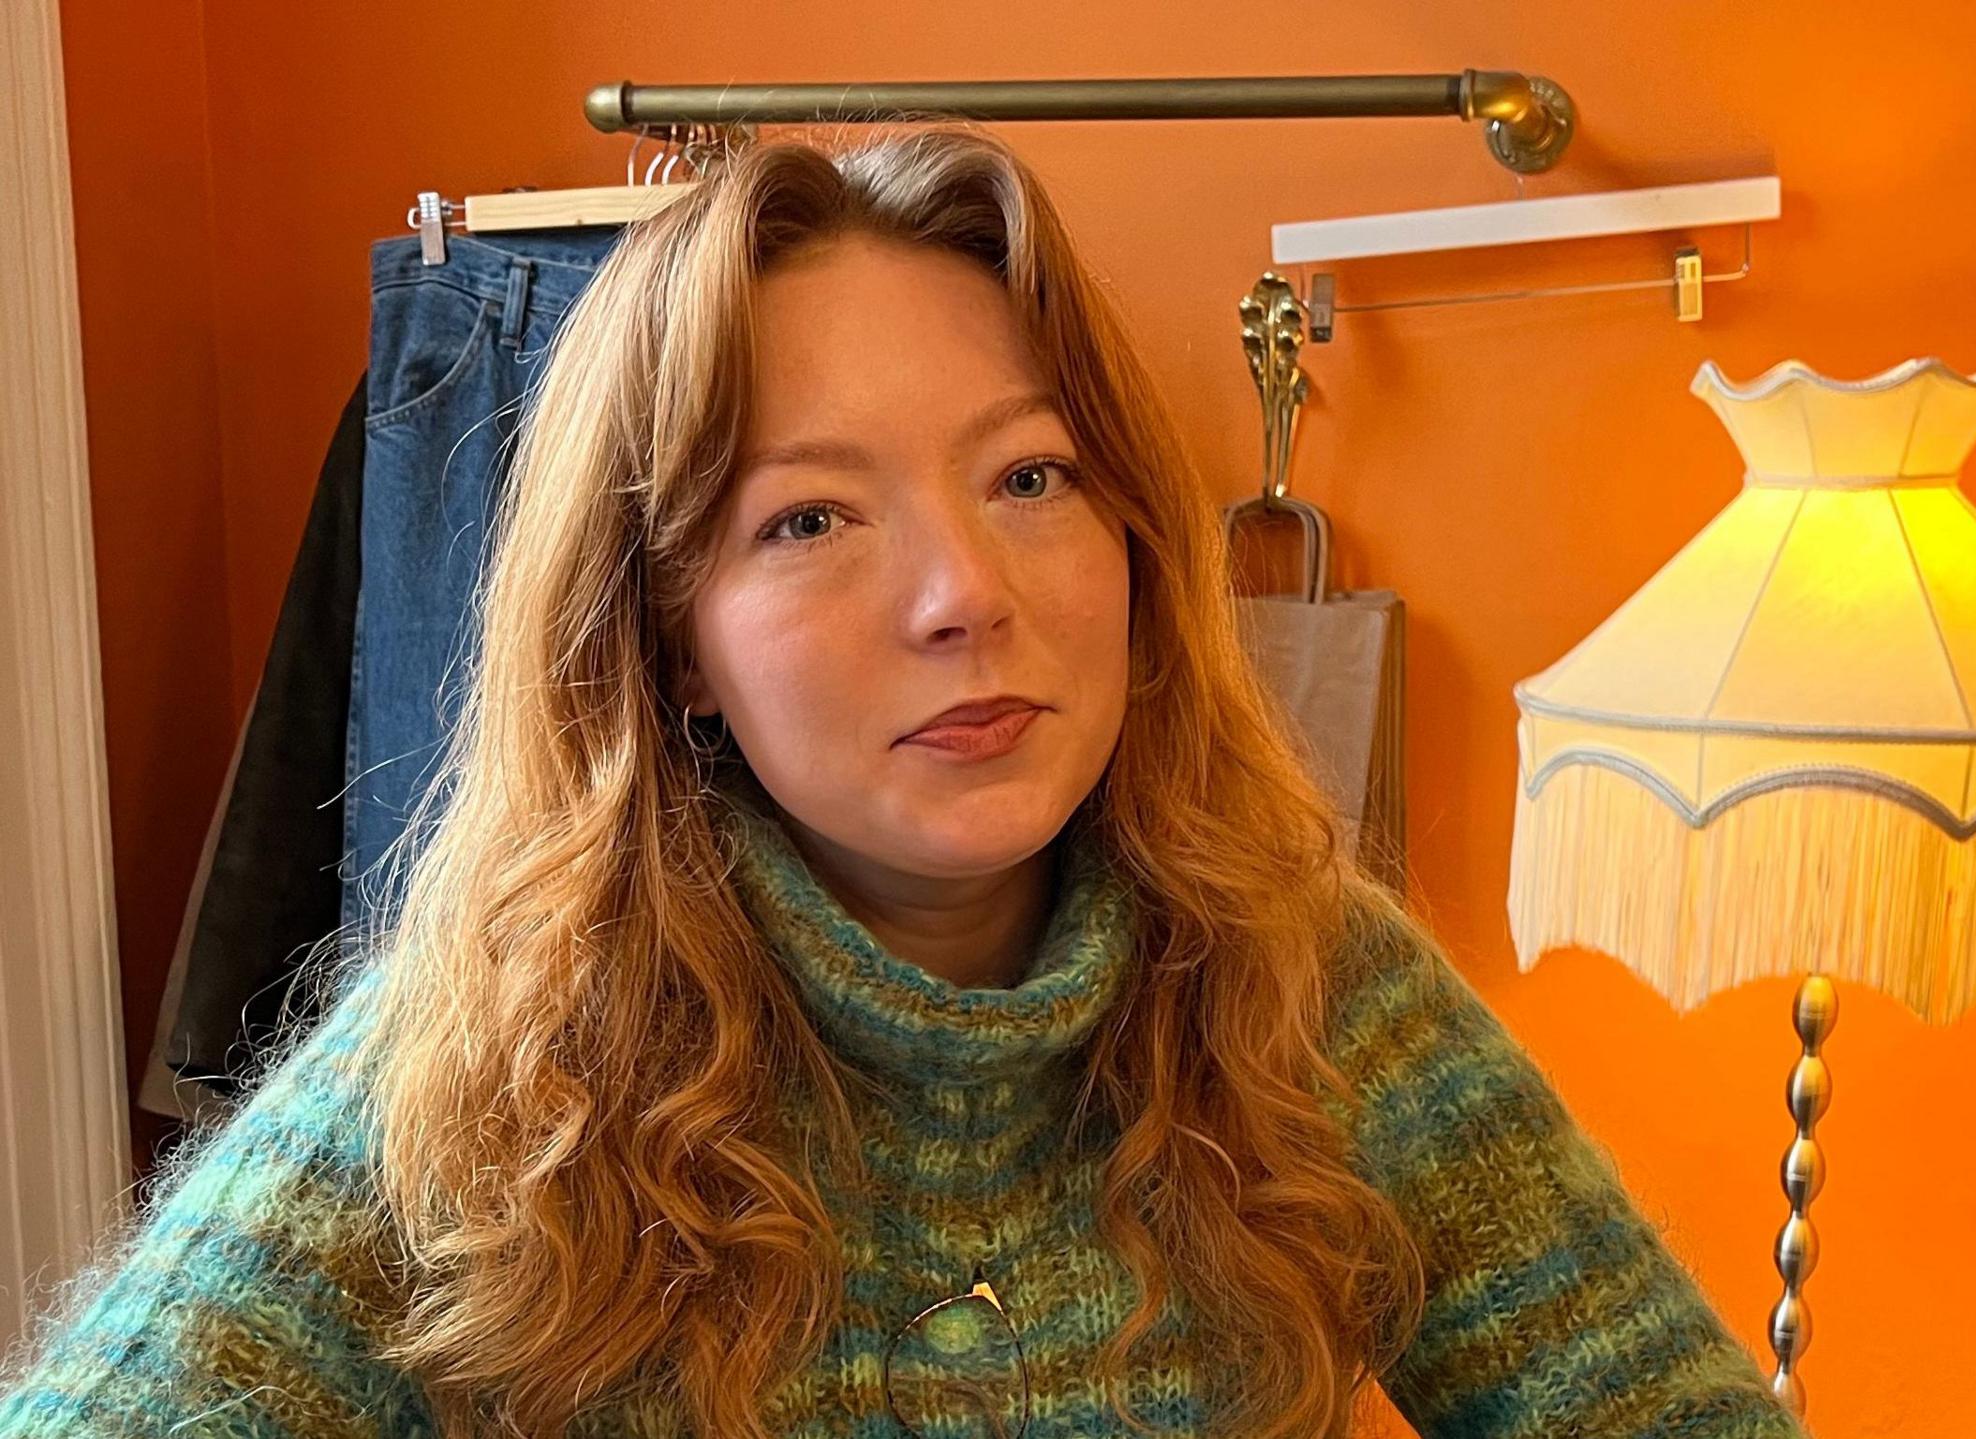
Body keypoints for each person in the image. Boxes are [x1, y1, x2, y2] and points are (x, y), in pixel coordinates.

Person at [0, 128, 1798, 1439]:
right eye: (809, 519)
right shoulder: (484, 1063)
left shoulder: (1314, 995)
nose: (966, 597)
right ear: (669, 643)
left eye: (1028, 477)